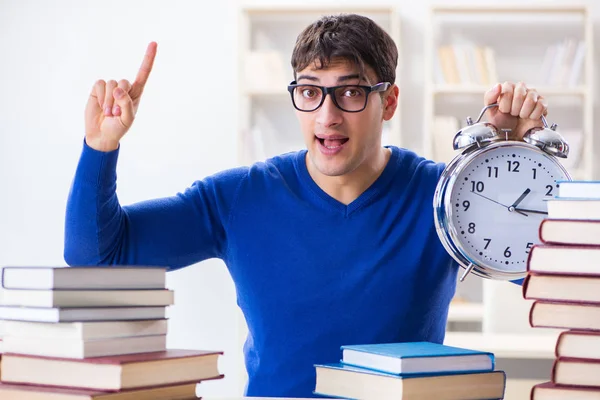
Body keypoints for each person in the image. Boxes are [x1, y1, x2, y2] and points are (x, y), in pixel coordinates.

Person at [64, 13, 547, 398]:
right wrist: (100, 146)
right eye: (311, 92)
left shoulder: (445, 195)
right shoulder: (237, 199)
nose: (328, 115)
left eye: (352, 92)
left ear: (390, 101)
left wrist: (509, 156)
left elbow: (554, 277)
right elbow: (98, 255)